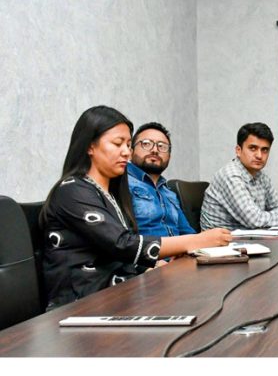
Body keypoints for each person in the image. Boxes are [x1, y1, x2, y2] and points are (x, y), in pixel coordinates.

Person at [40, 106, 232, 310]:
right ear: (90, 146)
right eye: (117, 143)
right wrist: (196, 241)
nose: (126, 152)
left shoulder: (111, 193)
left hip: (118, 294)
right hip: (81, 306)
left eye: (128, 144)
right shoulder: (72, 190)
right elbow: (121, 243)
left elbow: (116, 250)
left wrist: (154, 265)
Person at [200, 122, 278, 230]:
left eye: (265, 150)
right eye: (253, 148)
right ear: (238, 150)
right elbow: (255, 220)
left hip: (247, 239)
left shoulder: (261, 176)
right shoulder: (231, 176)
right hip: (220, 245)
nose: (259, 155)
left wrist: (264, 216)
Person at [128, 122, 196, 236]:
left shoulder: (169, 193)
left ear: (169, 156)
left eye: (162, 146)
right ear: (130, 152)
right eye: (146, 144)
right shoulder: (121, 182)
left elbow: (187, 233)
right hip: (148, 252)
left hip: (181, 252)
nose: (155, 150)